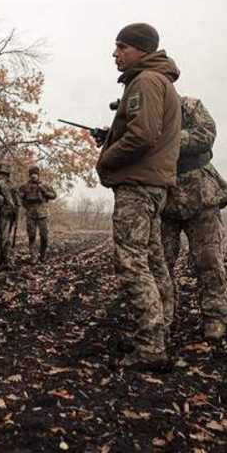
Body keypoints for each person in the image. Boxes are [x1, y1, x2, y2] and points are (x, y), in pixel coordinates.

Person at [96, 22, 181, 370]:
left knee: (131, 262)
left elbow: (143, 136)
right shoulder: (159, 82)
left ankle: (150, 346)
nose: (115, 54)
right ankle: (161, 331)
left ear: (141, 50)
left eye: (121, 47)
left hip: (138, 186)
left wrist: (106, 160)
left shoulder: (144, 81)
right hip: (154, 186)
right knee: (154, 260)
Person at [162, 96, 227, 341]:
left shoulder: (189, 105)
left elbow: (206, 134)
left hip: (200, 192)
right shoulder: (143, 110)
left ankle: (215, 316)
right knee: (160, 262)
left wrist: (164, 139)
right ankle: (163, 318)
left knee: (208, 259)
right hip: (162, 194)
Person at [17, 166, 57, 263]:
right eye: (31, 174)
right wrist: (25, 205)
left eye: (35, 174)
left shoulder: (45, 185)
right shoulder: (24, 186)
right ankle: (33, 256)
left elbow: (54, 195)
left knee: (44, 236)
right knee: (31, 236)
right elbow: (19, 198)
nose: (33, 176)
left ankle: (42, 254)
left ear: (38, 175)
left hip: (43, 213)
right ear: (29, 175)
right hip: (30, 214)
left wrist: (44, 191)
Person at [0, 160, 20, 269]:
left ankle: (6, 260)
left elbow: (17, 199)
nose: (3, 176)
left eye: (5, 174)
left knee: (6, 238)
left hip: (8, 214)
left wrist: (16, 209)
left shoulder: (11, 184)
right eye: (1, 173)